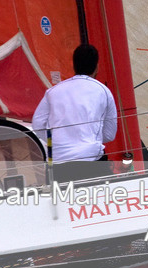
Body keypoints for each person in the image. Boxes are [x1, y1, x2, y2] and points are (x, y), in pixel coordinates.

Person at [32, 44, 119, 181]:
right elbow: (109, 134)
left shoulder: (52, 92)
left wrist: (56, 141)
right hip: (91, 161)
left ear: (74, 65)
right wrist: (88, 139)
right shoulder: (103, 91)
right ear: (97, 66)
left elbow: (37, 125)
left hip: (58, 165)